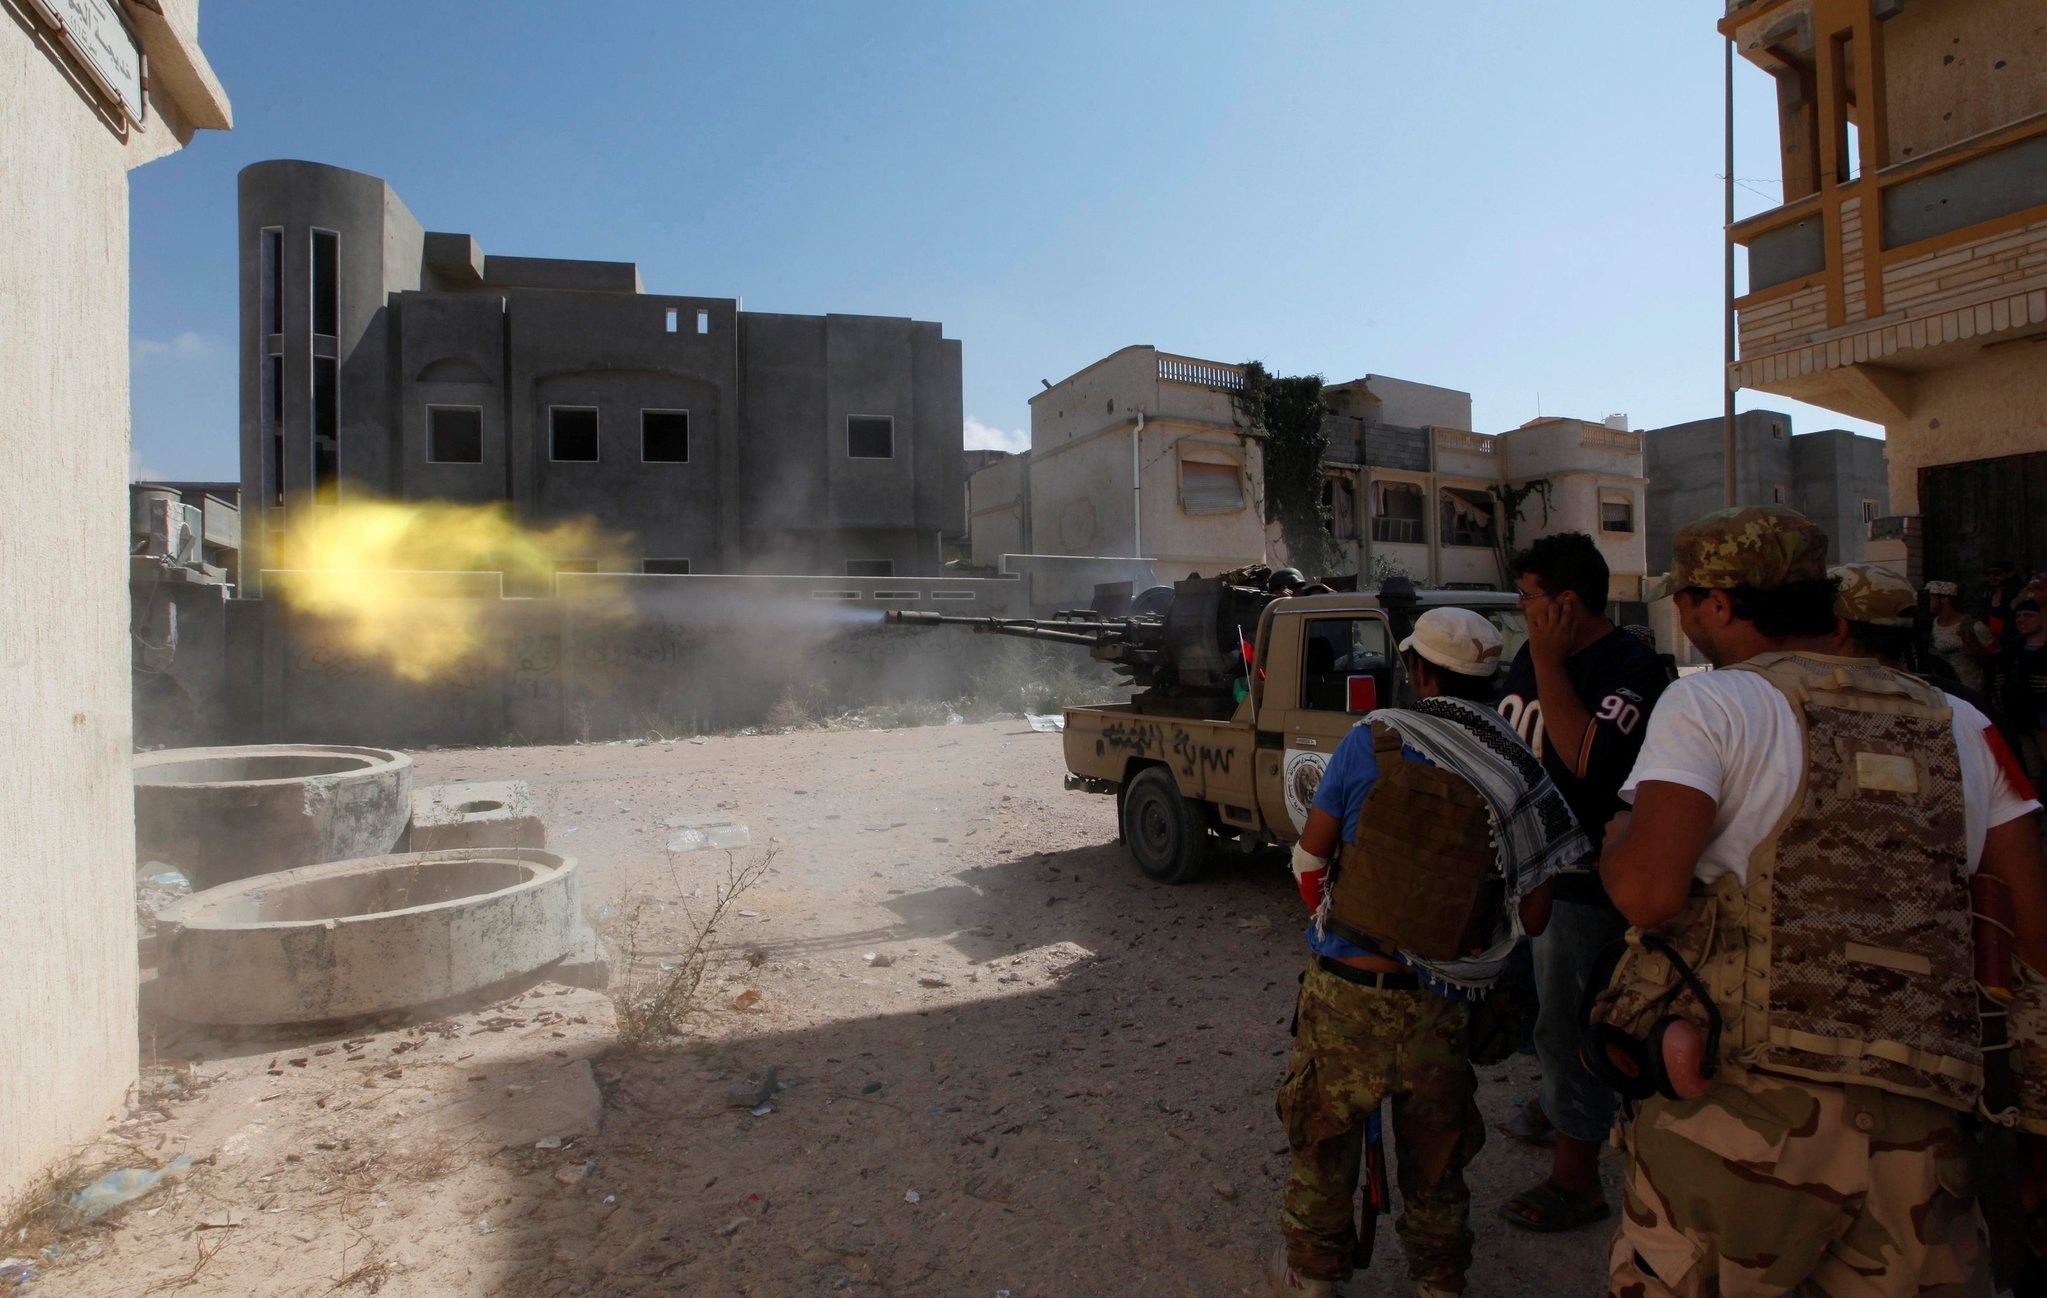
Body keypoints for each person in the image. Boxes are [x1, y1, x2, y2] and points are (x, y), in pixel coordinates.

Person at [1599, 506, 2047, 1297]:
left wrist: (1618, 833)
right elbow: (2034, 935)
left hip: (1743, 1128)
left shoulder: (1711, 706)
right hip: (1922, 1138)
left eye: (1685, 598)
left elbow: (1646, 892)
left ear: (1717, 606)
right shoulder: (1965, 725)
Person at [1272, 607, 1590, 1298]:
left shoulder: (1372, 739)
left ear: (1418, 671)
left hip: (1345, 991)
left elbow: (1309, 858)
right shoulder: (1517, 765)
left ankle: (1314, 1280)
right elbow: (1533, 915)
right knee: (1438, 1163)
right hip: (1442, 1008)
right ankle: (1440, 1283)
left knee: (1322, 1146)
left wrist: (1345, 926)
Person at [1493, 532, 1670, 1234]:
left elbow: (1589, 761)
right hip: (1528, 872)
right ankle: (1559, 1105)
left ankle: (1577, 1180)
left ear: (1564, 604)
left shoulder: (1628, 666)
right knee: (1539, 1013)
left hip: (1583, 884)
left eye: (1528, 598)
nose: (1519, 609)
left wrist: (1543, 661)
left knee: (1573, 1025)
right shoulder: (1531, 658)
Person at [1926, 579, 1999, 697]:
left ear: (1945, 600)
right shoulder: (1930, 625)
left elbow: (1996, 656)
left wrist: (1975, 651)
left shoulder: (1974, 626)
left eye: (1930, 598)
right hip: (1943, 690)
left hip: (1971, 690)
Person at [2007, 598, 2047, 789]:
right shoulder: (2015, 647)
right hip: (2023, 719)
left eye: (2029, 615)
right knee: (2032, 771)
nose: (2022, 620)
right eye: (2019, 616)